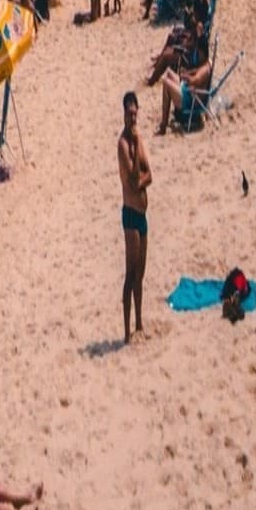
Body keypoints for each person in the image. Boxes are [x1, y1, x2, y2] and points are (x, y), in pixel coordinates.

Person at [119, 89, 151, 342]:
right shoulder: (123, 145)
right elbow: (132, 179)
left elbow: (149, 174)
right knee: (130, 273)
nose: (132, 118)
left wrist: (141, 178)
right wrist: (134, 146)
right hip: (130, 213)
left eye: (134, 113)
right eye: (129, 114)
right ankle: (126, 330)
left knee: (141, 271)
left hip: (142, 214)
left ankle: (140, 322)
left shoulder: (138, 140)